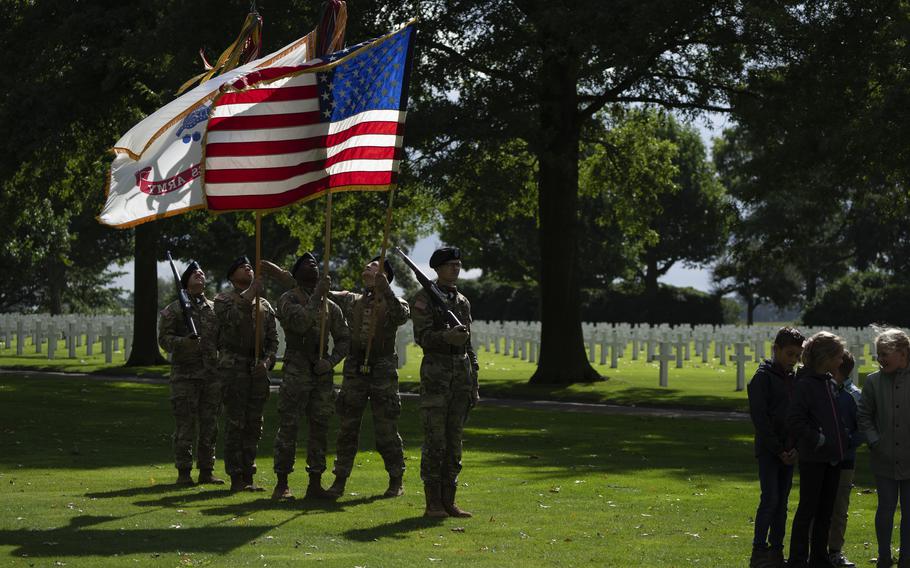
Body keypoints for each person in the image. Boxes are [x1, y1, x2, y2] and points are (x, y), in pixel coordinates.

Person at [323, 256, 410, 499]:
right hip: (354, 370)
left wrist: (387, 291)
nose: (367, 267)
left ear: (385, 275)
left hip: (382, 370)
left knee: (386, 429)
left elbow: (401, 316)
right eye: (367, 265)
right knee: (347, 427)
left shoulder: (396, 301)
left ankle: (396, 479)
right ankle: (339, 480)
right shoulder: (353, 300)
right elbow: (326, 294)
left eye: (373, 266)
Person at [269, 253, 351, 500]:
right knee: (289, 428)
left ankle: (315, 482)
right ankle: (282, 483)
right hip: (296, 370)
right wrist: (317, 295)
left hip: (321, 375)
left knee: (320, 429)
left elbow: (345, 338)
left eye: (315, 262)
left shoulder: (331, 306)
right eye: (306, 263)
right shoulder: (287, 299)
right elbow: (301, 323)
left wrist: (331, 362)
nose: (312, 264)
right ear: (295, 273)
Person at [411, 246, 479, 518]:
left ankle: (449, 500)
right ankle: (433, 502)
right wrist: (445, 338)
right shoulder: (424, 298)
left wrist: (474, 379)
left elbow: (469, 342)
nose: (456, 268)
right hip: (436, 375)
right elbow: (422, 337)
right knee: (435, 441)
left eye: (458, 264)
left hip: (460, 377)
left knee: (454, 442)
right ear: (437, 269)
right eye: (450, 264)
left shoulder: (462, 301)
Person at [214, 256, 279, 492]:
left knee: (254, 424)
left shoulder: (266, 305)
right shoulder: (222, 300)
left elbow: (273, 340)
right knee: (236, 423)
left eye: (250, 266)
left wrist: (268, 361)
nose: (248, 268)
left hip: (258, 369)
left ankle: (249, 473)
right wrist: (251, 292)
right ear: (232, 276)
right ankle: (236, 476)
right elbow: (230, 320)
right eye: (242, 266)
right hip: (234, 367)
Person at [157, 260, 224, 486]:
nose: (200, 274)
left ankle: (207, 470)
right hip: (185, 376)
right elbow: (163, 340)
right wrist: (184, 343)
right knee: (185, 426)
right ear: (185, 281)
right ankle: (184, 472)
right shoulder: (174, 310)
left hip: (210, 377)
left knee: (210, 426)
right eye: (195, 273)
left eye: (202, 272)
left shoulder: (214, 309)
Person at [787, 331, 848, 568]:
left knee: (826, 512)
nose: (842, 361)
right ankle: (798, 558)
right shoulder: (805, 385)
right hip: (814, 458)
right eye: (839, 357)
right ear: (826, 357)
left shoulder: (830, 382)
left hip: (833, 458)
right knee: (808, 510)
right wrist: (819, 439)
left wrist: (843, 437)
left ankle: (819, 558)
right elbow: (795, 420)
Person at [748, 326, 805, 568]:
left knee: (782, 503)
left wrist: (794, 448)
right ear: (776, 350)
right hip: (770, 450)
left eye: (797, 355)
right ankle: (759, 550)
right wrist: (778, 449)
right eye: (789, 354)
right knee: (770, 499)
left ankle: (777, 550)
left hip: (789, 451)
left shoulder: (795, 379)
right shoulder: (762, 378)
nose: (793, 360)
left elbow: (799, 414)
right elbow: (761, 419)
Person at [858, 328, 910, 568]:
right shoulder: (873, 381)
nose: (880, 359)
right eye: (878, 354)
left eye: (885, 353)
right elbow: (864, 415)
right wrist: (874, 440)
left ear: (903, 352)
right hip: (885, 456)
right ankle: (884, 555)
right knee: (886, 509)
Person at [828, 351, 862, 567]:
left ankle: (835, 551)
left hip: (845, 459)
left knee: (839, 508)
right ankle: (817, 550)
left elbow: (863, 428)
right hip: (823, 458)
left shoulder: (854, 396)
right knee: (820, 506)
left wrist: (846, 442)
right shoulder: (825, 390)